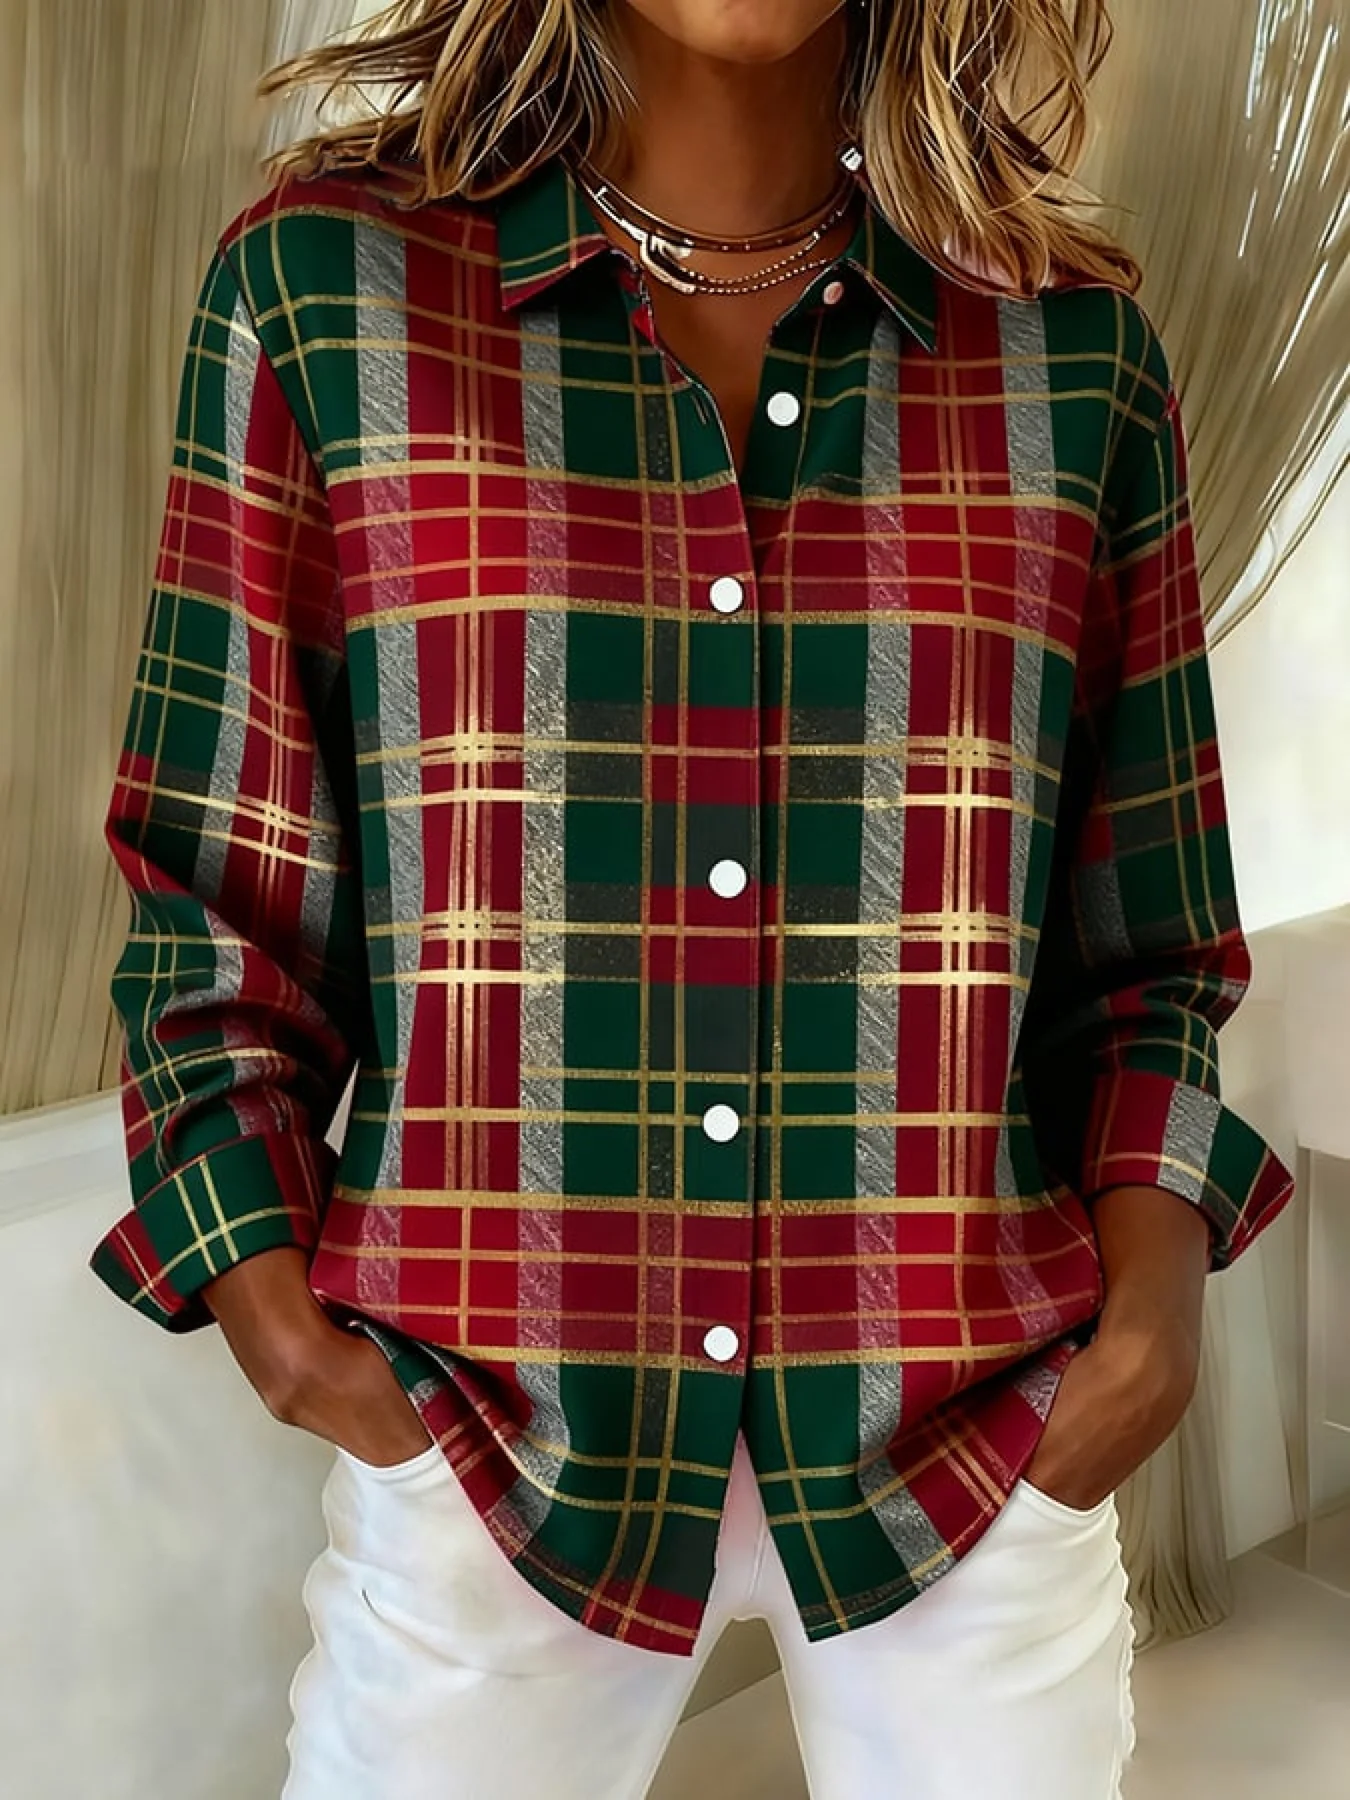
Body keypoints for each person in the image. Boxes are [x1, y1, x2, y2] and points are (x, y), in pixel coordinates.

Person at [88, 1, 1297, 1795]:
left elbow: (1144, 945)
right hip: (490, 1437)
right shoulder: (327, 293)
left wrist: (1150, 1326)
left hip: (971, 1432)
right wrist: (275, 1313)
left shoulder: (1066, 354)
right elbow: (218, 882)